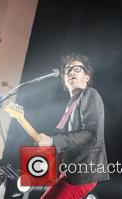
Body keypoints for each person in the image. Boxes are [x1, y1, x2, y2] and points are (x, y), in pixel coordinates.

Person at [37, 54, 110, 199]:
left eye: (77, 69)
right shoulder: (70, 106)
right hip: (68, 172)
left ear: (87, 77)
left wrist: (53, 141)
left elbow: (92, 135)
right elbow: (67, 142)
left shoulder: (89, 94)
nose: (71, 72)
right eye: (68, 70)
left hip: (84, 172)